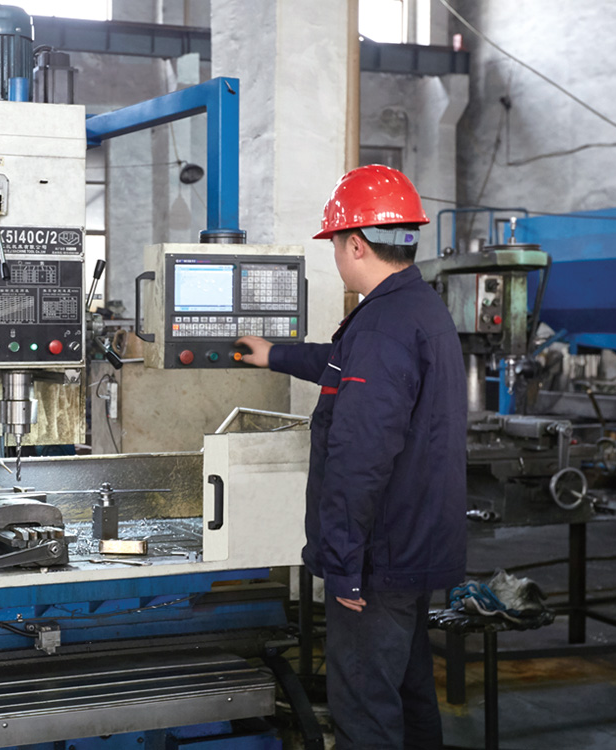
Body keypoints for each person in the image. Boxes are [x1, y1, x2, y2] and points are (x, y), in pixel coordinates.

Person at [237, 164, 467, 749]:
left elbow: (359, 457)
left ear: (357, 244)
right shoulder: (415, 309)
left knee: (364, 710)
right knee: (408, 696)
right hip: (413, 546)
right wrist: (276, 355)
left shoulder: (383, 326)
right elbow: (344, 366)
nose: (337, 255)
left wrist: (342, 564)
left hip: (377, 560)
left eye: (336, 244)